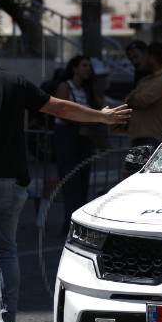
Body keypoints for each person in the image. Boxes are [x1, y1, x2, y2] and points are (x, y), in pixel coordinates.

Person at [0, 32, 131, 322]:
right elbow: (60, 109)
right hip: (13, 182)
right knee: (6, 253)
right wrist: (101, 117)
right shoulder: (16, 82)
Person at [52, 55, 100, 233]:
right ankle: (70, 224)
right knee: (71, 182)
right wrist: (85, 121)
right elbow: (61, 113)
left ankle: (78, 224)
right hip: (68, 139)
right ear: (74, 68)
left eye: (89, 66)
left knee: (83, 182)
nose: (88, 69)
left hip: (83, 140)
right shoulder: (66, 86)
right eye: (84, 65)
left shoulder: (86, 90)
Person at [125, 40, 162, 130]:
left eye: (136, 56)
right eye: (131, 59)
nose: (134, 62)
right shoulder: (139, 73)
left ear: (147, 54)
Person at [124, 41, 162, 148]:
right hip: (141, 138)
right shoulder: (147, 79)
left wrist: (132, 99)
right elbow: (128, 100)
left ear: (152, 56)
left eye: (137, 56)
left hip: (152, 138)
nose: (134, 61)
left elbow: (136, 102)